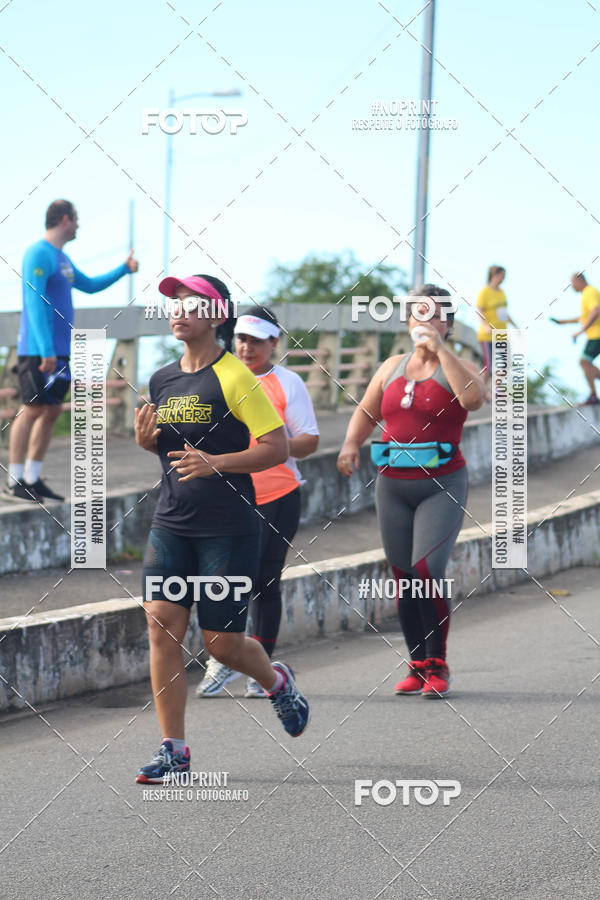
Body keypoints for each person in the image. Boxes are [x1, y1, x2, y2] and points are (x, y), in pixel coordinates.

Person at [134, 275, 310, 784]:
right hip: (172, 522)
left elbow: (277, 447)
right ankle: (175, 751)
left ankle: (277, 681)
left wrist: (218, 463)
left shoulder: (236, 377)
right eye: (173, 304)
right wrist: (150, 445)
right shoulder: (162, 379)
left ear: (217, 316)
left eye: (192, 305)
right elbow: (171, 452)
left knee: (221, 645)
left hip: (228, 528)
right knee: (161, 625)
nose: (178, 312)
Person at [337, 285, 485, 698]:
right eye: (418, 313)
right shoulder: (390, 366)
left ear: (448, 324)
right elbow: (366, 411)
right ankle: (417, 663)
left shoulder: (462, 365)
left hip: (441, 484)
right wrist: (351, 443)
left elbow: (474, 399)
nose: (425, 320)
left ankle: (438, 664)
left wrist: (441, 351)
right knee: (404, 576)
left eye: (435, 315)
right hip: (392, 485)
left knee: (426, 570)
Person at [196, 306, 320, 699]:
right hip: (224, 496)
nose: (247, 348)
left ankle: (260, 667)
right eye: (241, 339)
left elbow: (309, 440)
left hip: (277, 495)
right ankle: (223, 659)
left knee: (264, 581)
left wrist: (268, 448)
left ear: (274, 343)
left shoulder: (288, 382)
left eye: (256, 341)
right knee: (222, 580)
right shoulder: (220, 377)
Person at [3, 199, 138, 503]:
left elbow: (89, 285)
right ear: (65, 219)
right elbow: (34, 301)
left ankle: (32, 479)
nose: (79, 225)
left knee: (50, 411)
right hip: (38, 349)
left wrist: (123, 270)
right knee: (32, 408)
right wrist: (46, 350)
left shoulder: (62, 258)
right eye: (76, 219)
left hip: (60, 351)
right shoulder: (38, 253)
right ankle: (13, 481)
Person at [550, 272, 600, 405]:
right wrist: (563, 322)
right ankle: (593, 396)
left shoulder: (590, 292)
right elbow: (583, 317)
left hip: (597, 335)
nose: (571, 287)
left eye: (572, 283)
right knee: (585, 363)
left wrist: (580, 331)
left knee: (584, 362)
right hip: (595, 335)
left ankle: (593, 396)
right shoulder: (586, 294)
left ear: (579, 280)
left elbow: (595, 312)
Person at [476, 265, 517, 382]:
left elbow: (504, 313)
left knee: (506, 363)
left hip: (501, 334)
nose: (504, 279)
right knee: (488, 367)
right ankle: (481, 391)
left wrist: (515, 326)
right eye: (502, 276)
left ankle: (497, 390)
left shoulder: (502, 292)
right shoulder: (485, 291)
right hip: (487, 335)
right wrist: (485, 325)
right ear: (495, 275)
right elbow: (479, 310)